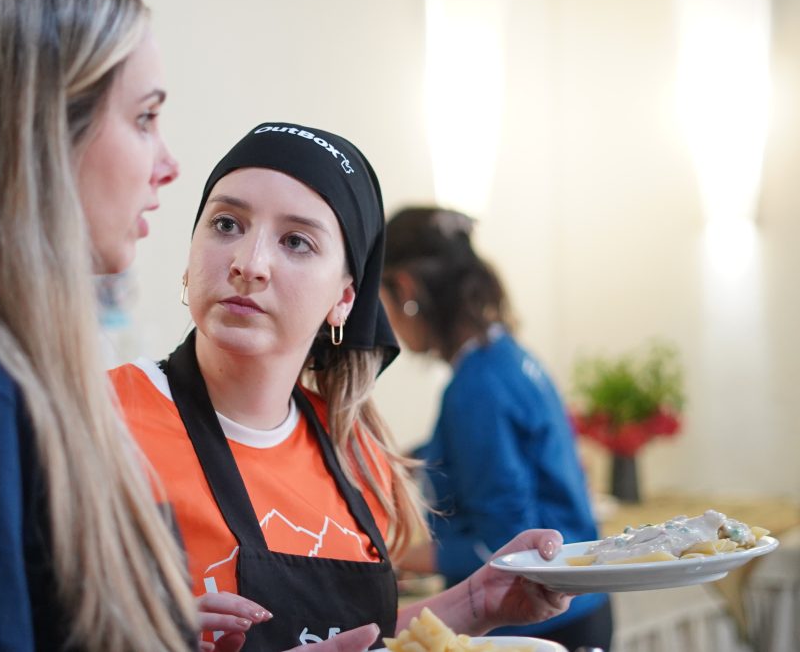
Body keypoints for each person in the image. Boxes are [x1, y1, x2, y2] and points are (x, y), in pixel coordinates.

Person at [109, 123, 572, 651]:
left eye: (296, 241)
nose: (249, 264)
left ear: (344, 299)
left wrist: (476, 603)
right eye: (226, 224)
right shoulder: (98, 421)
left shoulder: (357, 456)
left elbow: (359, 636)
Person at [379, 206, 613, 650]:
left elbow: (505, 542)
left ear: (405, 288)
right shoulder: (507, 358)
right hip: (580, 606)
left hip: (540, 624)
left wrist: (390, 556)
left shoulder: (475, 388)